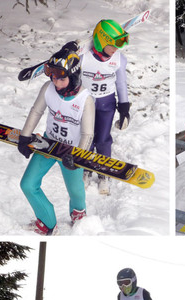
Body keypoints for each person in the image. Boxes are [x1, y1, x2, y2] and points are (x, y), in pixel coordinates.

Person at [17, 49, 95, 235]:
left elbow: (87, 134)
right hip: (48, 144)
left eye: (61, 78)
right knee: (27, 184)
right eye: (53, 77)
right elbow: (36, 112)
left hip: (71, 151)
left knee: (76, 191)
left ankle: (78, 213)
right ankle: (47, 222)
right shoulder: (48, 88)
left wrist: (77, 156)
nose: (56, 83)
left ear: (74, 76)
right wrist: (25, 137)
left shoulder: (85, 100)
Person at [77, 19, 131, 195]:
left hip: (107, 103)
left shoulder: (119, 59)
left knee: (103, 139)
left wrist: (124, 108)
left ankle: (103, 172)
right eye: (114, 44)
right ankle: (85, 168)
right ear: (101, 41)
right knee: (87, 137)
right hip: (86, 103)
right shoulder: (82, 57)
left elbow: (121, 84)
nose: (117, 48)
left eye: (119, 44)